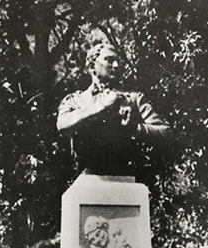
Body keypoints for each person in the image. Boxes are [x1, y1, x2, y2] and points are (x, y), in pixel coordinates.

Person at [56, 42, 170, 176]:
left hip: (125, 180)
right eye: (110, 60)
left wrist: (134, 127)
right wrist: (100, 106)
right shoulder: (75, 101)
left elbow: (165, 133)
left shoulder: (133, 99)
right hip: (85, 180)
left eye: (118, 61)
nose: (116, 65)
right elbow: (63, 125)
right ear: (92, 65)